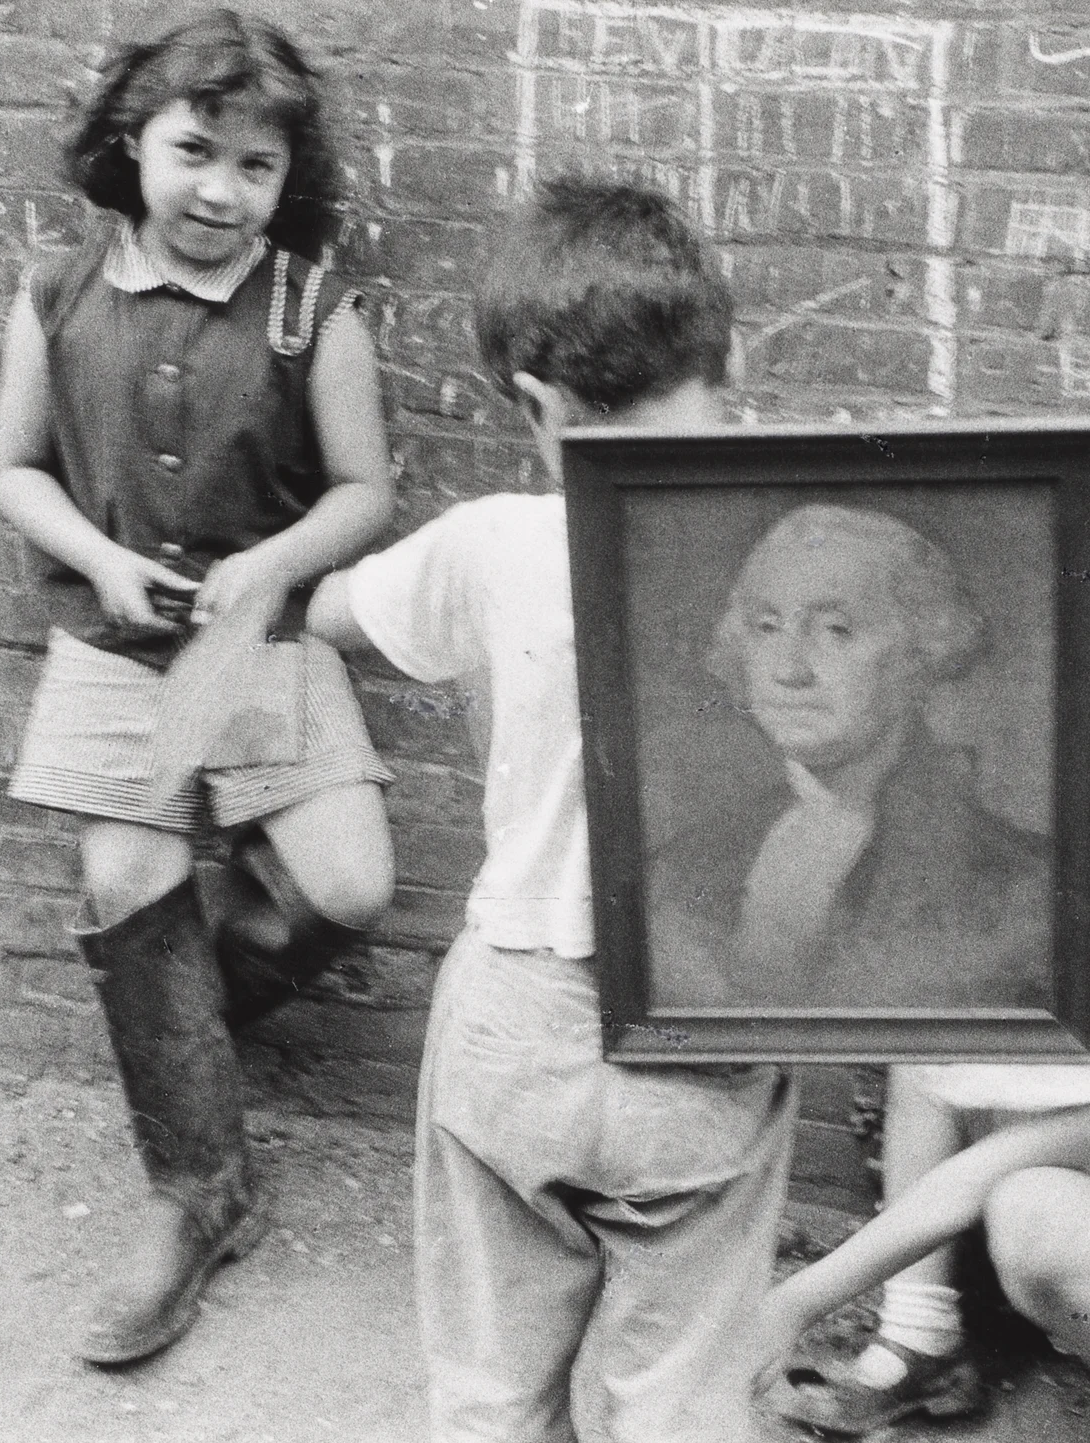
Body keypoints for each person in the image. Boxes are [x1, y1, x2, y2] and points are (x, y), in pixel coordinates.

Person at [304, 176, 798, 1442]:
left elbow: (331, 613)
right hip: (705, 1022)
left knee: (488, 1387)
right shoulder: (800, 556)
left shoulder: (492, 542)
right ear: (726, 357)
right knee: (683, 1392)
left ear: (535, 402)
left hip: (513, 1021)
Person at [0, 10, 397, 1364]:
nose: (221, 190)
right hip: (116, 647)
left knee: (345, 887)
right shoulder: (56, 288)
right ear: (130, 146)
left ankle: (181, 1042)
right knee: (126, 881)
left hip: (255, 643)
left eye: (255, 167)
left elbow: (363, 490)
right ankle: (198, 1185)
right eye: (194, 151)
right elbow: (15, 469)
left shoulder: (308, 305)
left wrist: (269, 566)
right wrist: (101, 561)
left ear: (289, 184)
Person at [748, 839, 1090, 1443]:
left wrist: (791, 1307)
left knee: (1029, 1202)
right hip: (1074, 1252)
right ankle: (920, 1340)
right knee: (930, 1059)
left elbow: (972, 1181)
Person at [647, 505, 1052, 1010]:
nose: (790, 671)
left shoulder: (1024, 887)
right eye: (767, 627)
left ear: (920, 652)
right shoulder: (681, 867)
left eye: (836, 630)